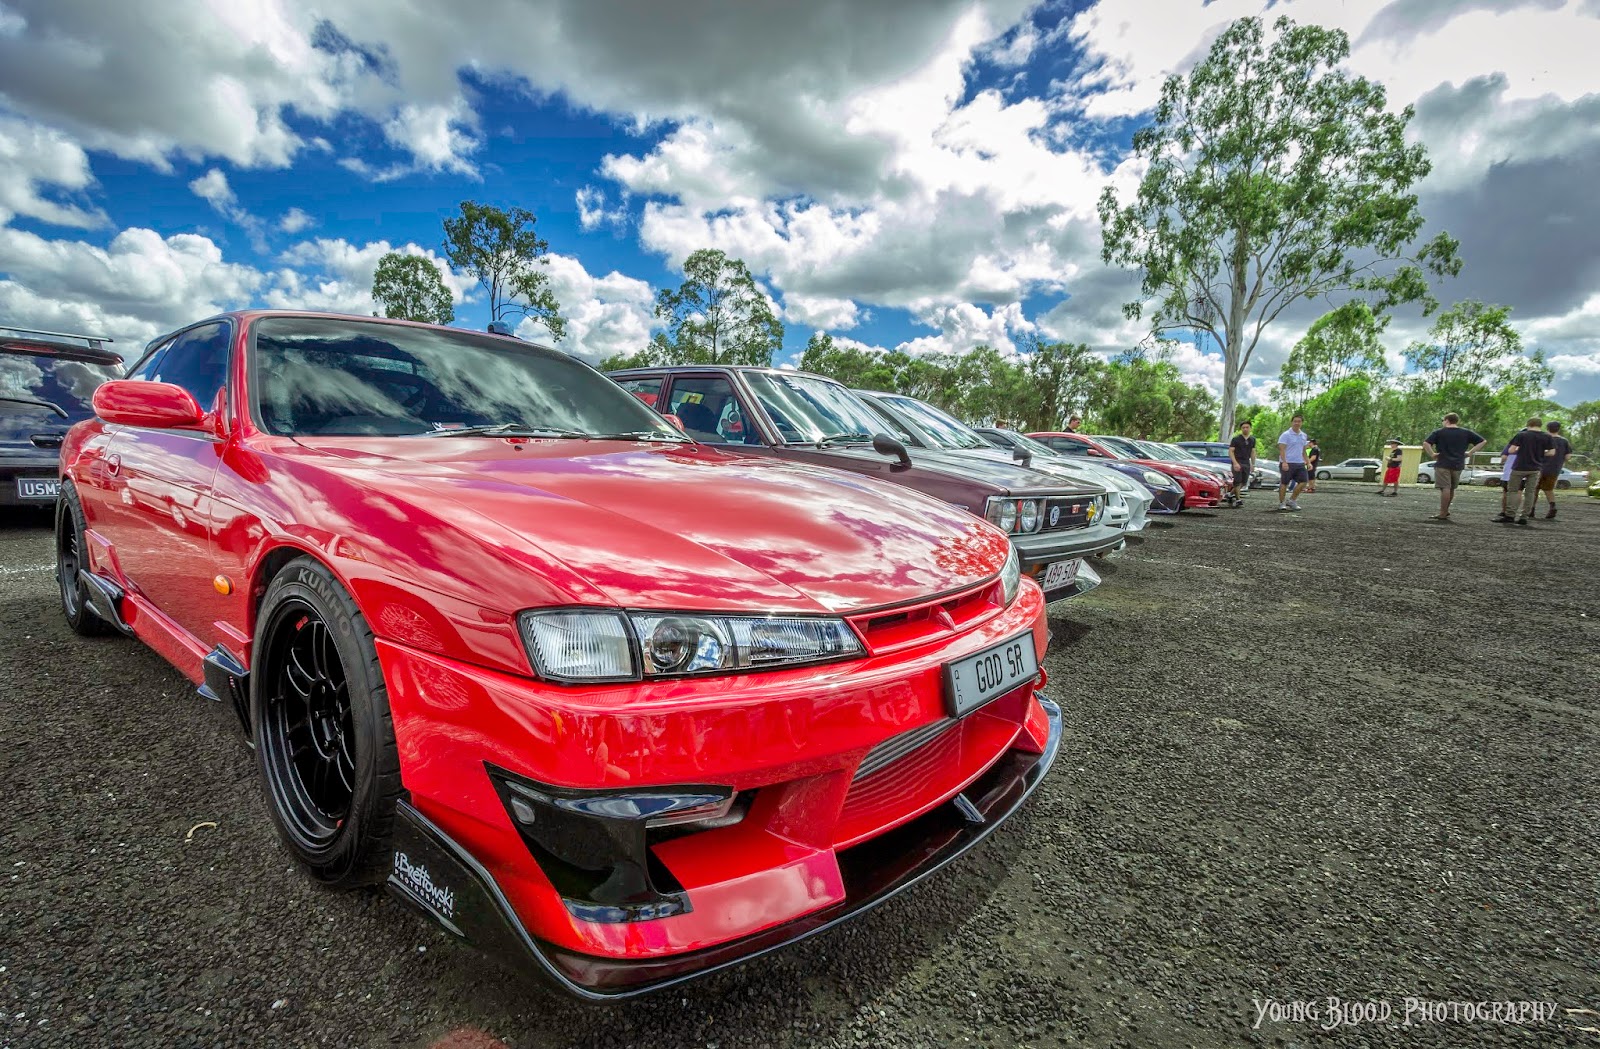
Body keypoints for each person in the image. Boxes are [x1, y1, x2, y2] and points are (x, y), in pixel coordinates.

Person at [1422, 412, 1486, 522]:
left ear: (1446, 420)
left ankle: (1442, 513)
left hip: (1443, 463)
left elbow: (1426, 443)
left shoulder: (1439, 432)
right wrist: (1470, 453)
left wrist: (1432, 454)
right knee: (1451, 488)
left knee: (1445, 488)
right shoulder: (1466, 432)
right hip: (1458, 464)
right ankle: (1446, 510)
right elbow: (1482, 441)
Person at [1501, 417, 1555, 526]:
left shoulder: (1521, 435)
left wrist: (1520, 450)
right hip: (1535, 468)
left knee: (1513, 491)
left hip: (1519, 467)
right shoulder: (1547, 437)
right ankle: (1524, 516)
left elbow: (1511, 450)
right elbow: (1552, 452)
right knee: (1530, 493)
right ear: (1540, 425)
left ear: (1528, 424)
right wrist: (1540, 453)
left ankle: (1510, 515)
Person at [1536, 420, 1572, 519]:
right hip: (1554, 469)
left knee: (1534, 489)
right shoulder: (1564, 441)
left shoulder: (1543, 438)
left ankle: (1531, 509)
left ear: (1547, 428)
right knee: (1548, 489)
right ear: (1558, 429)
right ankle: (1552, 506)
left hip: (1538, 467)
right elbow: (1568, 457)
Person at [1276, 414, 1310, 511]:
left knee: (1303, 482)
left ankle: (1292, 500)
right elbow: (1282, 449)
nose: (1297, 423)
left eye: (1299, 421)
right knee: (1284, 483)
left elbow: (1303, 451)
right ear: (1292, 422)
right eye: (1295, 421)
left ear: (1302, 423)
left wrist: (1308, 462)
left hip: (1299, 463)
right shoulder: (1286, 435)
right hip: (1288, 462)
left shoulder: (1303, 435)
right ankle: (1282, 503)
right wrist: (1284, 462)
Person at [1226, 420, 1255, 508]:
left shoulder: (1252, 439)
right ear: (1241, 429)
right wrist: (1235, 463)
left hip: (1246, 462)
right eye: (1243, 428)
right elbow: (1231, 451)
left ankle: (1230, 494)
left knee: (1243, 482)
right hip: (1237, 461)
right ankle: (1238, 499)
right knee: (1237, 481)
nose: (1245, 429)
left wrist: (1253, 464)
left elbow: (1253, 452)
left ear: (1250, 428)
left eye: (1247, 427)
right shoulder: (1236, 439)